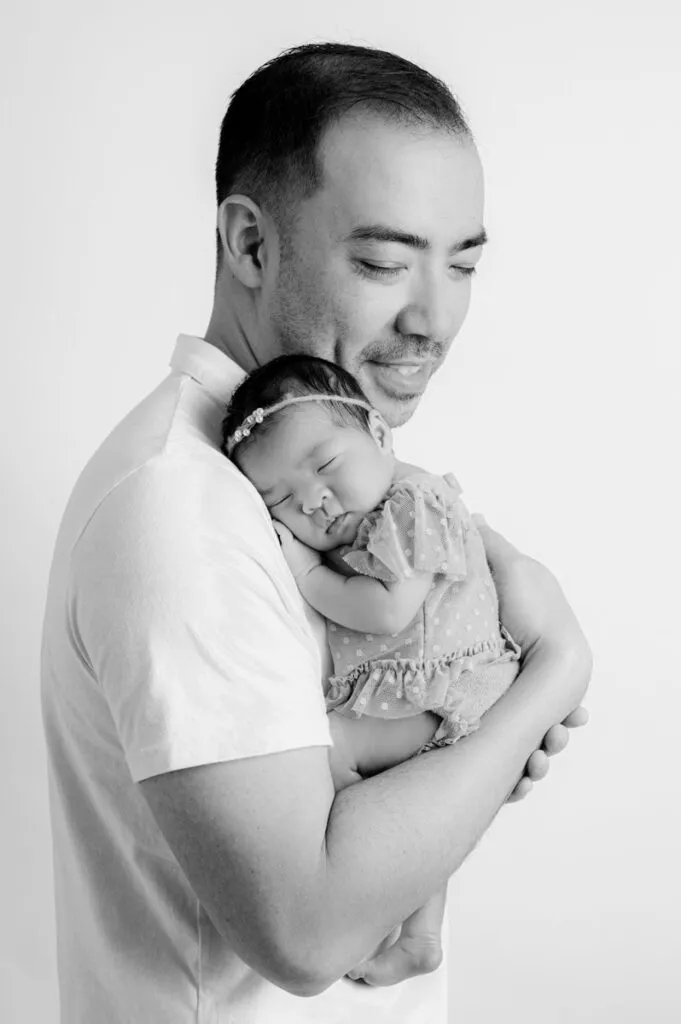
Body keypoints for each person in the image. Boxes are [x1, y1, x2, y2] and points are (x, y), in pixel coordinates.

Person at [41, 42, 591, 1023]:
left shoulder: (295, 479)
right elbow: (307, 928)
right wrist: (549, 674)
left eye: (464, 263)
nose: (435, 318)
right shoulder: (182, 509)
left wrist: (457, 751)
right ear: (251, 245)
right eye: (384, 262)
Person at [222, 352, 524, 986]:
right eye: (282, 500)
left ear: (379, 434)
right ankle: (420, 937)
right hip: (430, 691)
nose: (315, 502)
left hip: (448, 689)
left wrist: (307, 572)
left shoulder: (414, 505)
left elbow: (387, 611)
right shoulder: (380, 512)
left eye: (326, 465)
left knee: (331, 749)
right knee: (416, 810)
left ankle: (347, 908)